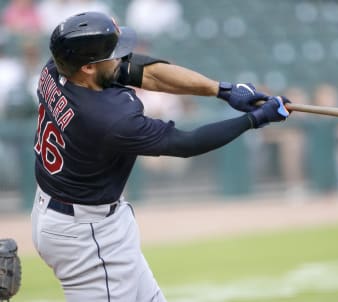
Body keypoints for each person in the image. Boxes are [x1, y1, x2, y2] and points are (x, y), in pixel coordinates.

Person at [30, 11, 290, 302]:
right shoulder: (109, 118)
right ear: (89, 67)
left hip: (68, 215)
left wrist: (222, 90)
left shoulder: (57, 67)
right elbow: (186, 143)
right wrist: (253, 120)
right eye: (112, 54)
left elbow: (145, 71)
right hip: (85, 235)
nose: (121, 58)